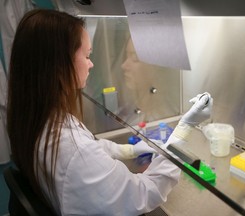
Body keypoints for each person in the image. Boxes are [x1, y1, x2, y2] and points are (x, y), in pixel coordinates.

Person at [7, 9, 213, 216]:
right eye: (87, 55)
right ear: (59, 64)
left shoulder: (39, 121)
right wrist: (185, 128)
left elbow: (91, 145)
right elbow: (144, 193)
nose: (91, 63)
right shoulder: (75, 152)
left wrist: (129, 150)